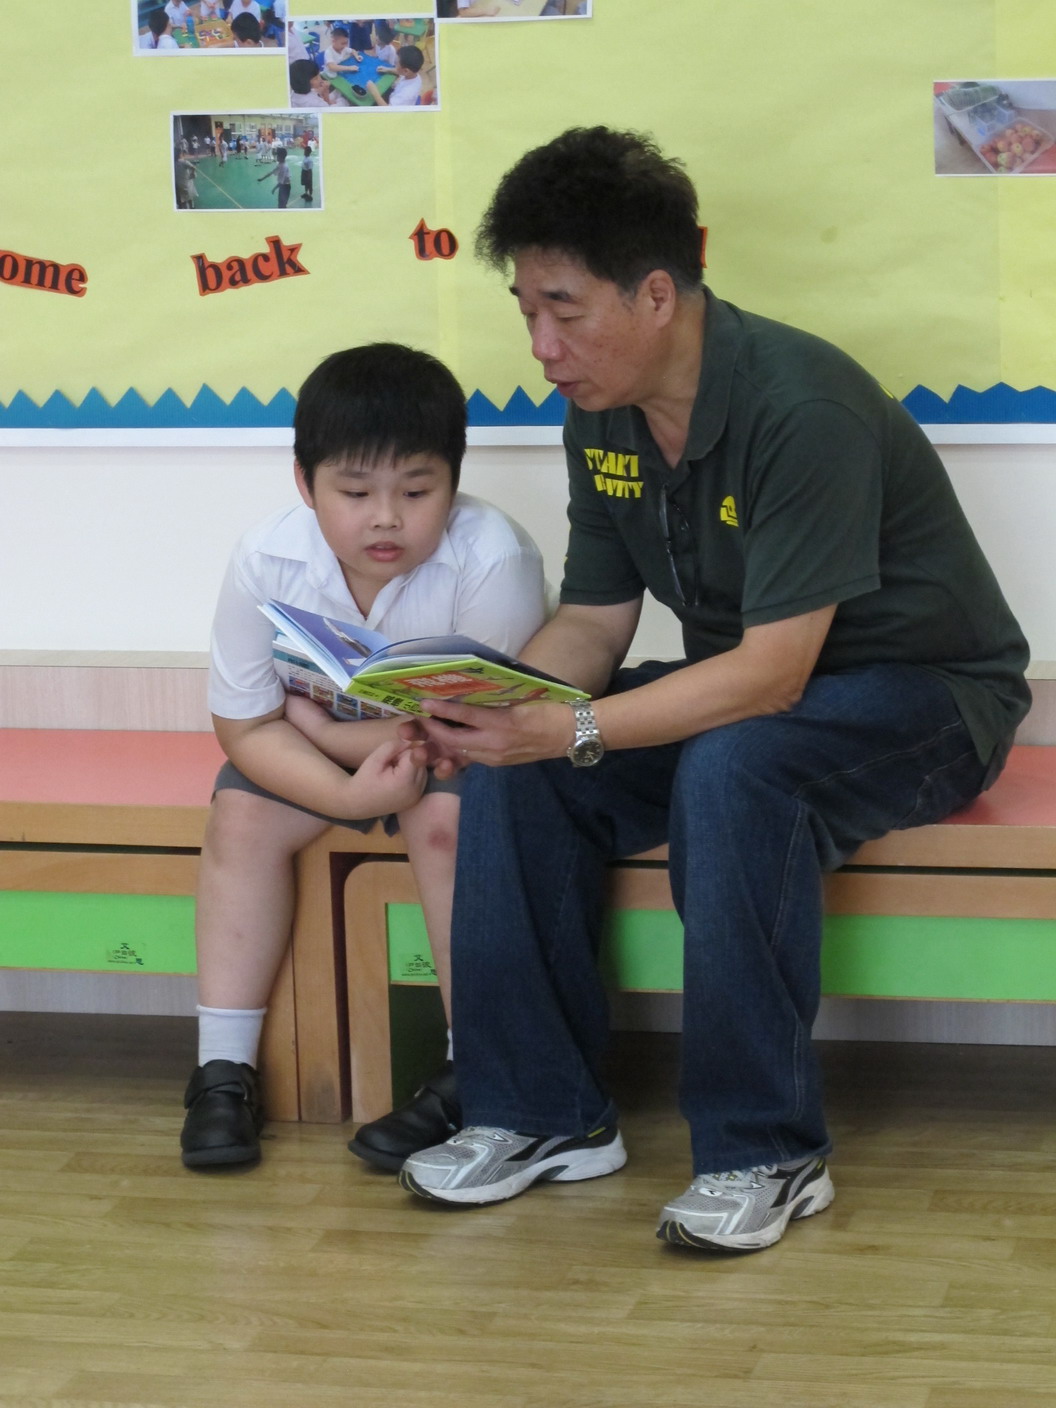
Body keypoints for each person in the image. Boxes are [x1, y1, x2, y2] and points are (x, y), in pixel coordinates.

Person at [394, 126, 1032, 1253]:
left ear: (654, 294)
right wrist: (502, 708)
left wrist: (571, 725)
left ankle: (767, 1151)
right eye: (524, 308)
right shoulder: (599, 409)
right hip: (753, 690)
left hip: (927, 702)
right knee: (519, 773)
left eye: (564, 309)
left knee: (736, 769)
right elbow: (596, 621)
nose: (542, 344)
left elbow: (774, 674)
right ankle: (542, 1115)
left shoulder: (803, 406)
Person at [179, 343, 547, 1170]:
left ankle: (473, 1065)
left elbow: (473, 736)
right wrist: (341, 787)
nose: (386, 517)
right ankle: (221, 1071)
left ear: (454, 483)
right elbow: (242, 729)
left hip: (460, 764)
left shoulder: (495, 559)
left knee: (452, 826)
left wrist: (319, 732)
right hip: (340, 756)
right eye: (354, 492)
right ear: (305, 484)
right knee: (239, 816)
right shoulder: (266, 558)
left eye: (417, 492)